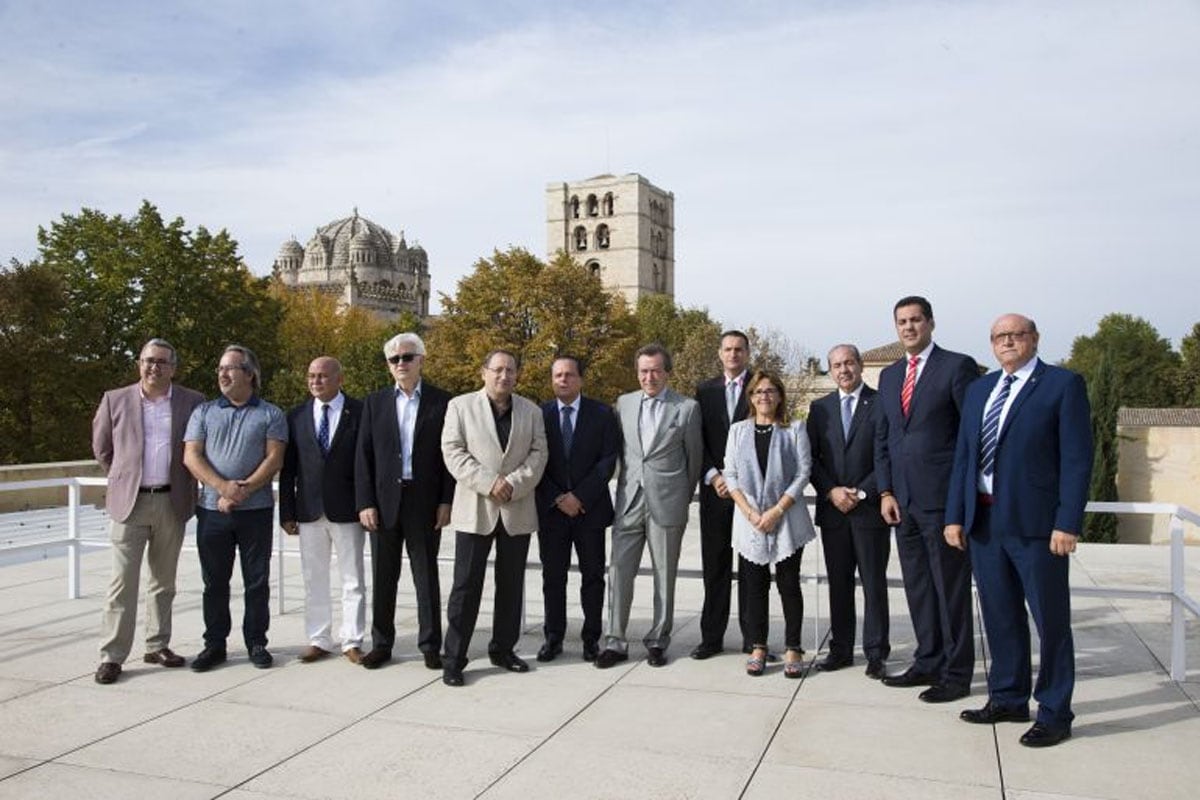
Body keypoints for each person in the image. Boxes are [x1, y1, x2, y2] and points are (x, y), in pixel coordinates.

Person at [945, 314, 1091, 748]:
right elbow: (964, 459)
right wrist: (955, 516)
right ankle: (1008, 697)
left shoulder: (1062, 385)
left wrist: (1067, 521)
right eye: (999, 337)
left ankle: (1054, 711)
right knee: (999, 615)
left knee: (1050, 622)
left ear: (1034, 339)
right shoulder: (980, 390)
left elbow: (1077, 459)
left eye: (1016, 334)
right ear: (991, 344)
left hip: (1037, 527)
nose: (1007, 341)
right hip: (984, 524)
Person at [874, 296, 979, 703]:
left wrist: (959, 505)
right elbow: (883, 439)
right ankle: (928, 660)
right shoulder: (889, 375)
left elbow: (970, 439)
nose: (909, 327)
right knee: (918, 587)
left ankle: (956, 674)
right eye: (902, 321)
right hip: (902, 503)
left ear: (931, 323)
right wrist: (885, 491)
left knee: (949, 589)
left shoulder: (956, 367)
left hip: (942, 503)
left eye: (916, 320)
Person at [91, 338, 205, 684]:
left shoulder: (192, 401)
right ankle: (112, 655)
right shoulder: (116, 399)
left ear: (173, 367)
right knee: (121, 584)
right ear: (139, 363)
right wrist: (124, 478)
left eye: (161, 362)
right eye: (148, 360)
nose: (154, 367)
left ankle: (157, 644)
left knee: (164, 581)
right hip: (131, 502)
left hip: (172, 501)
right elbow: (102, 448)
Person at [440, 350, 547, 686]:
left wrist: (512, 484)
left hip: (516, 509)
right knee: (465, 587)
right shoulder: (460, 406)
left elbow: (539, 452)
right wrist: (489, 482)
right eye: (497, 369)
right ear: (483, 372)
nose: (504, 375)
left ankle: (503, 649)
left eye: (510, 370)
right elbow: (452, 450)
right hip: (476, 509)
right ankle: (454, 658)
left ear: (517, 375)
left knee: (511, 586)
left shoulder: (531, 410)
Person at [596, 344, 703, 669]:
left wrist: (680, 498)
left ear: (667, 373)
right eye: (643, 371)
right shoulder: (624, 404)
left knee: (664, 574)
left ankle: (658, 639)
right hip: (628, 500)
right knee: (618, 572)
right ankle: (614, 640)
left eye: (655, 370)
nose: (649, 377)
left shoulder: (686, 408)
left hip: (667, 503)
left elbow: (694, 460)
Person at [183, 345, 287, 671]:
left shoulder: (271, 414)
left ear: (250, 374)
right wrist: (222, 488)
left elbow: (274, 459)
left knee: (256, 582)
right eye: (220, 369)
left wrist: (242, 491)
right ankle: (214, 645)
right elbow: (191, 456)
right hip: (213, 513)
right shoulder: (204, 412)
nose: (222, 374)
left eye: (230, 368)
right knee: (214, 582)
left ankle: (256, 642)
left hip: (254, 512)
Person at [355, 333, 454, 670]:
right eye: (394, 359)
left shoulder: (443, 402)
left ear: (421, 360)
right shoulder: (375, 403)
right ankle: (382, 644)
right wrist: (365, 502)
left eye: (407, 357)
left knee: (426, 576)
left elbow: (449, 457)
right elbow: (363, 457)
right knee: (384, 576)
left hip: (424, 501)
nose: (400, 364)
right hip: (383, 504)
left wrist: (446, 500)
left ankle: (430, 645)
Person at [724, 371, 817, 678]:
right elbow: (731, 474)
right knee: (754, 587)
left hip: (786, 518)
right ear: (750, 398)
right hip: (749, 519)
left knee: (789, 585)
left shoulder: (794, 429)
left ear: (779, 395)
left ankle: (793, 647)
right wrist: (750, 512)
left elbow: (803, 473)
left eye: (770, 391)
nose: (764, 396)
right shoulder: (738, 430)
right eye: (757, 392)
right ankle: (758, 646)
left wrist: (777, 510)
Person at [807, 344, 891, 679]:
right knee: (838, 584)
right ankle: (841, 649)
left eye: (849, 363)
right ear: (830, 369)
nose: (844, 370)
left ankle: (875, 652)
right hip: (833, 512)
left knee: (873, 583)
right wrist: (831, 490)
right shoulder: (820, 409)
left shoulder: (881, 403)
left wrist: (861, 491)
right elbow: (811, 458)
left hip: (868, 510)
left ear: (859, 366)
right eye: (837, 365)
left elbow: (886, 454)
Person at [279, 356, 366, 665]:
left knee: (352, 577)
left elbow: (365, 464)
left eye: (323, 376)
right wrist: (287, 511)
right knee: (313, 577)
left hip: (348, 509)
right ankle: (319, 639)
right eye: (311, 376)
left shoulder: (360, 412)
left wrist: (366, 505)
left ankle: (352, 640)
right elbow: (288, 469)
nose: (316, 381)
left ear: (339, 379)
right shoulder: (296, 416)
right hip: (309, 510)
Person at [534, 356, 620, 662]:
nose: (563, 380)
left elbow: (607, 461)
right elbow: (533, 462)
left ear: (580, 379)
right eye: (557, 375)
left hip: (590, 511)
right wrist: (559, 497)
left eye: (569, 375)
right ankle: (553, 637)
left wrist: (579, 497)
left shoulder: (602, 414)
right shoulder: (538, 415)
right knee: (553, 577)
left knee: (593, 578)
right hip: (552, 512)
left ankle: (591, 639)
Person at [692, 330, 751, 660]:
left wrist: (739, 481)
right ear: (720, 353)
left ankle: (751, 636)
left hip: (750, 494)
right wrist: (714, 476)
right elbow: (696, 439)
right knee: (714, 567)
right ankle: (711, 637)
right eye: (728, 349)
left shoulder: (760, 385)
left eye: (739, 349)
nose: (733, 355)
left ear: (747, 353)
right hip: (715, 493)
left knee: (750, 569)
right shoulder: (705, 390)